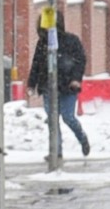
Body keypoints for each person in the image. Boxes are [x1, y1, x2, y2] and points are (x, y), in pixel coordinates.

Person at [29, 9, 91, 164]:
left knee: (68, 117)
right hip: (48, 86)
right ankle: (56, 152)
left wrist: (76, 79)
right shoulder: (42, 43)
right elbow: (36, 64)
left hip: (68, 87)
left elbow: (80, 60)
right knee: (52, 120)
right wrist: (32, 83)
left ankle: (82, 137)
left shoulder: (71, 41)